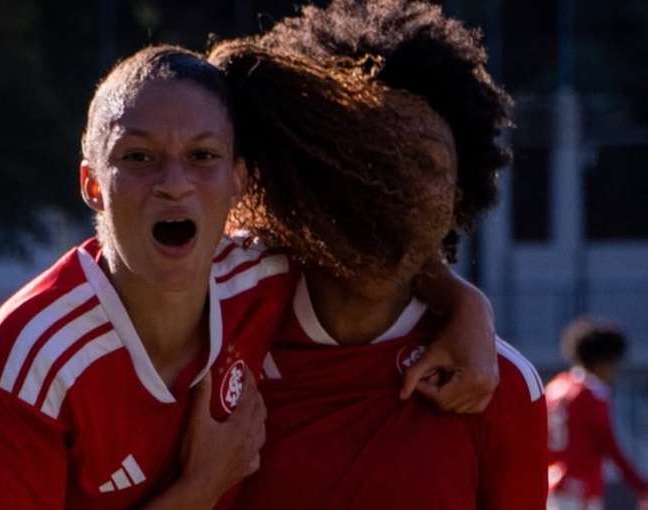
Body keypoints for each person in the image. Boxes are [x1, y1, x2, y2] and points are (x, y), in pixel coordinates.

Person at [0, 43, 501, 510]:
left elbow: (378, 260)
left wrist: (468, 308)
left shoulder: (259, 274)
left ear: (239, 181)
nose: (174, 183)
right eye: (138, 157)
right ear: (92, 183)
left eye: (202, 156)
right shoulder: (30, 363)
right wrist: (201, 489)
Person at [206, 1, 548, 507]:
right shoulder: (223, 340)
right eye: (369, 158)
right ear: (309, 171)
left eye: (427, 166)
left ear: (458, 196)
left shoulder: (500, 387)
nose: (395, 190)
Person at [547, 317, 648, 510]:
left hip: (552, 486)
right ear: (603, 362)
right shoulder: (591, 394)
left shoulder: (555, 388)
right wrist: (641, 486)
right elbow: (608, 444)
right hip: (581, 491)